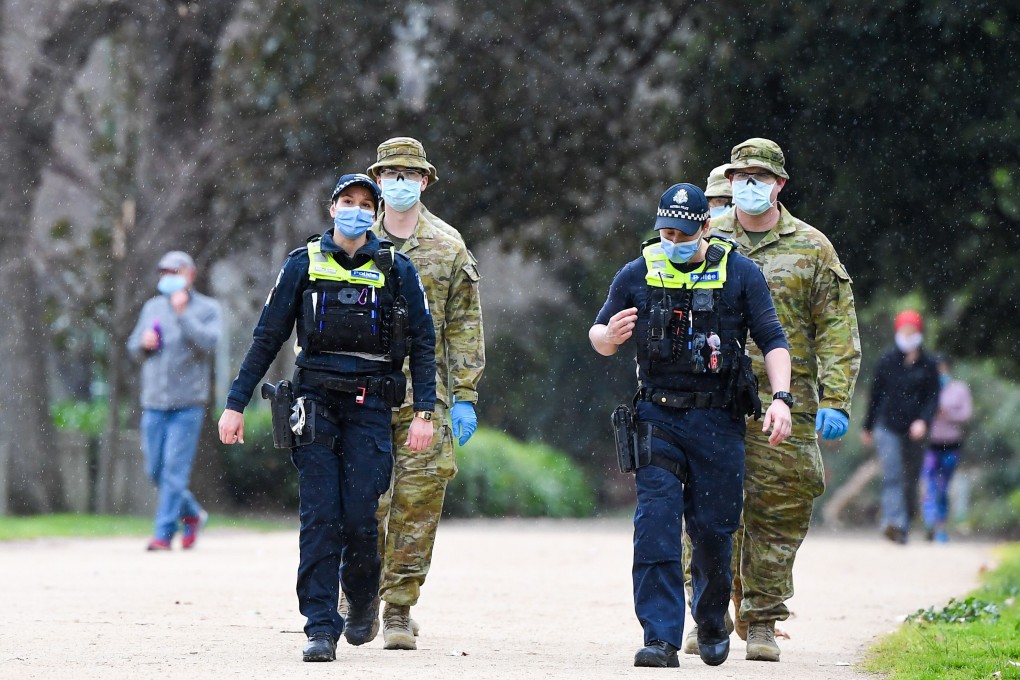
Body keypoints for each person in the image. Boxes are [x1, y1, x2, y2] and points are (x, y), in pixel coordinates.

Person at [217, 173, 437, 663]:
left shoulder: (397, 269)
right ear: (332, 207)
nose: (355, 210)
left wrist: (425, 411)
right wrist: (235, 403)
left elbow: (423, 343)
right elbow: (267, 335)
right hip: (314, 406)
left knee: (361, 516)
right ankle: (320, 624)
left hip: (371, 406)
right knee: (320, 516)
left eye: (364, 203)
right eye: (347, 201)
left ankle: (361, 597)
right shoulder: (303, 264)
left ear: (375, 213)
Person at [589, 182, 793, 669]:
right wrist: (608, 336)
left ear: (706, 226)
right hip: (657, 414)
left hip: (718, 420)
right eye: (665, 232)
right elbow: (598, 333)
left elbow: (773, 338)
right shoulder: (638, 272)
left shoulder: (741, 273)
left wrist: (781, 399)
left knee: (713, 532)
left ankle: (711, 618)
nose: (672, 241)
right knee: (655, 524)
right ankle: (658, 636)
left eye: (682, 233)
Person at [700, 138, 862, 662]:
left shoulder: (813, 249)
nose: (748, 185)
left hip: (785, 404)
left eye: (759, 177)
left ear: (779, 185)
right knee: (704, 507)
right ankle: (710, 608)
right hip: (710, 400)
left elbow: (836, 328)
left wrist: (836, 399)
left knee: (780, 510)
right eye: (740, 175)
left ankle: (764, 618)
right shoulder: (704, 239)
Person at [348, 136, 485, 651]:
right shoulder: (353, 241)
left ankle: (399, 608)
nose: (399, 183)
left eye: (410, 175)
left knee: (417, 503)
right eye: (390, 174)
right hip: (361, 393)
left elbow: (465, 325)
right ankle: (355, 593)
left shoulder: (449, 247)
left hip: (428, 399)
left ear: (425, 181)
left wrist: (466, 394)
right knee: (364, 501)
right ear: (377, 180)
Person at [127, 250, 221, 552]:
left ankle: (163, 534)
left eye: (174, 272)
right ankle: (192, 515)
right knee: (155, 469)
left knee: (173, 471)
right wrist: (143, 344)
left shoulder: (207, 308)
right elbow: (133, 348)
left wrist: (184, 315)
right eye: (163, 272)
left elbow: (209, 343)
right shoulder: (152, 307)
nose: (167, 277)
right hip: (153, 401)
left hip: (187, 403)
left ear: (189, 275)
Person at [861, 309, 941, 544]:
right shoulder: (886, 360)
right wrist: (867, 426)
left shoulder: (929, 364)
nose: (907, 335)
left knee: (911, 478)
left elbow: (933, 397)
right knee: (893, 475)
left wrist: (923, 421)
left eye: (911, 331)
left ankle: (906, 522)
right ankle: (893, 522)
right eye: (903, 331)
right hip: (887, 426)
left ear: (919, 333)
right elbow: (875, 395)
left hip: (916, 430)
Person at [922, 356, 972, 543]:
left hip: (951, 446)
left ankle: (941, 526)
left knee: (943, 488)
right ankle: (929, 522)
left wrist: (947, 413)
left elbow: (966, 414)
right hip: (930, 446)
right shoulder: (927, 389)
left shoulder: (959, 390)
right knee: (929, 485)